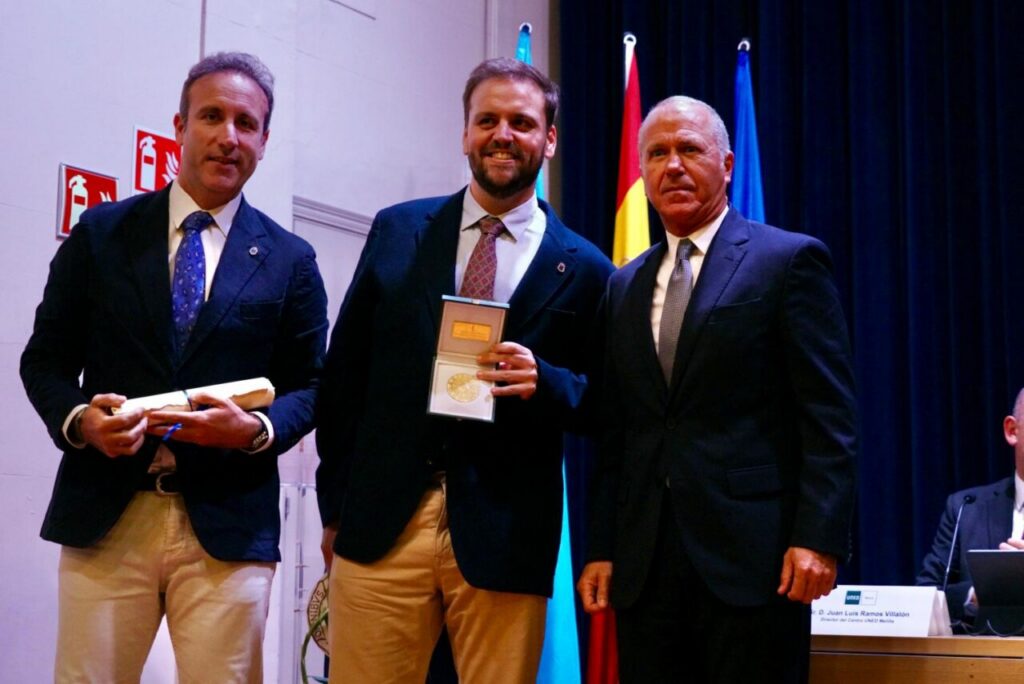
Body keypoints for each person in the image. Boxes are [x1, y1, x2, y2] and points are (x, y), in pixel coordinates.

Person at [20, 52, 328, 682]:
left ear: (264, 142)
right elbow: (45, 360)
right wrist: (80, 421)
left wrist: (257, 433)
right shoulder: (102, 233)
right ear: (179, 126)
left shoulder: (290, 259)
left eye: (246, 123)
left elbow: (314, 385)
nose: (228, 135)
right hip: (106, 512)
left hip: (230, 525)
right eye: (211, 116)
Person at [315, 57, 613, 683]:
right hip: (381, 527)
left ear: (549, 140)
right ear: (466, 133)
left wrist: (548, 382)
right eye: (488, 120)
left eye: (522, 122)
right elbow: (345, 379)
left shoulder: (586, 268)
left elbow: (611, 406)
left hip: (507, 536)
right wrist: (335, 509)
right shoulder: (399, 230)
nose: (502, 134)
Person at [577, 95, 857, 683]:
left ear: (727, 165)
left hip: (755, 561)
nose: (672, 166)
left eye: (689, 149)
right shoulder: (621, 286)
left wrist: (819, 537)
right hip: (645, 565)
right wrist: (601, 546)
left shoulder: (788, 261)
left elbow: (827, 415)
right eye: (656, 153)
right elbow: (617, 431)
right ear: (642, 173)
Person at [917, 387, 1024, 622]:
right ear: (1012, 430)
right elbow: (927, 594)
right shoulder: (966, 508)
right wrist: (979, 593)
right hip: (976, 655)